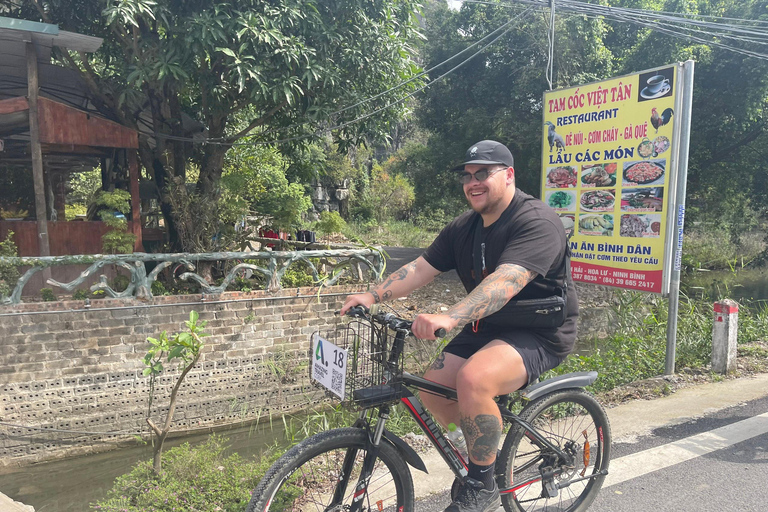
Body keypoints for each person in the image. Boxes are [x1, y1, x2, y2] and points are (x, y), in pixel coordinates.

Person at [340, 140, 578, 512]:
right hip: (486, 325)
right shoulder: (463, 228)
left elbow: (507, 281)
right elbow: (420, 268)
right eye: (467, 176)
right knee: (433, 388)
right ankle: (480, 456)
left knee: (473, 379)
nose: (473, 182)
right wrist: (372, 296)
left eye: (483, 173)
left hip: (539, 330)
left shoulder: (537, 221)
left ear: (509, 175)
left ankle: (482, 484)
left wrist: (450, 317)